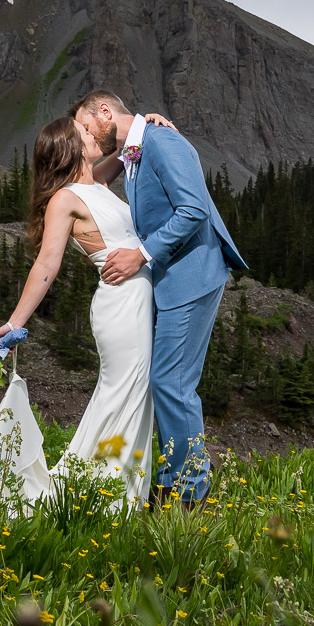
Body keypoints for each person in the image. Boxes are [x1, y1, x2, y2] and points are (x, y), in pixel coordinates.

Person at [69, 91, 246, 507]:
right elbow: (96, 178)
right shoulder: (139, 147)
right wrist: (141, 130)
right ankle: (169, 482)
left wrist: (141, 255)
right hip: (168, 280)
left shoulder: (164, 142)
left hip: (190, 277)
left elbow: (194, 210)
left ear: (106, 112)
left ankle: (189, 494)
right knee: (162, 383)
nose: (87, 137)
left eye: (87, 126)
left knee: (172, 383)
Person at [0, 115, 158, 510]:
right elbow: (46, 265)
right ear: (72, 147)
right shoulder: (64, 199)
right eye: (84, 133)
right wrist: (13, 324)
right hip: (121, 305)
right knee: (122, 396)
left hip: (137, 301)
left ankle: (108, 494)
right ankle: (98, 499)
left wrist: (151, 122)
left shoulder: (96, 183)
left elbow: (130, 151)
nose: (93, 135)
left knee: (133, 396)